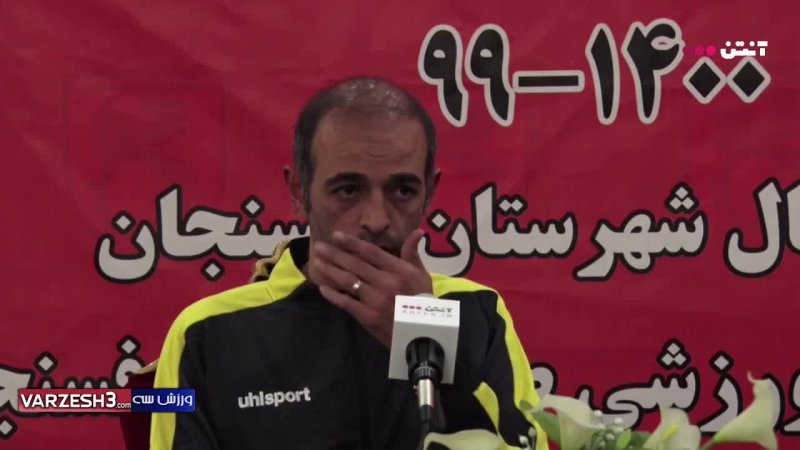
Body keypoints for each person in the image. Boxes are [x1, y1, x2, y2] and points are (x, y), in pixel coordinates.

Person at [149, 76, 547, 449]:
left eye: (402, 191)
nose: (376, 219)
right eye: (348, 190)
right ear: (299, 191)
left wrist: (426, 337)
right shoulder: (206, 334)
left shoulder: (478, 312)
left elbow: (524, 442)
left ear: (429, 193)